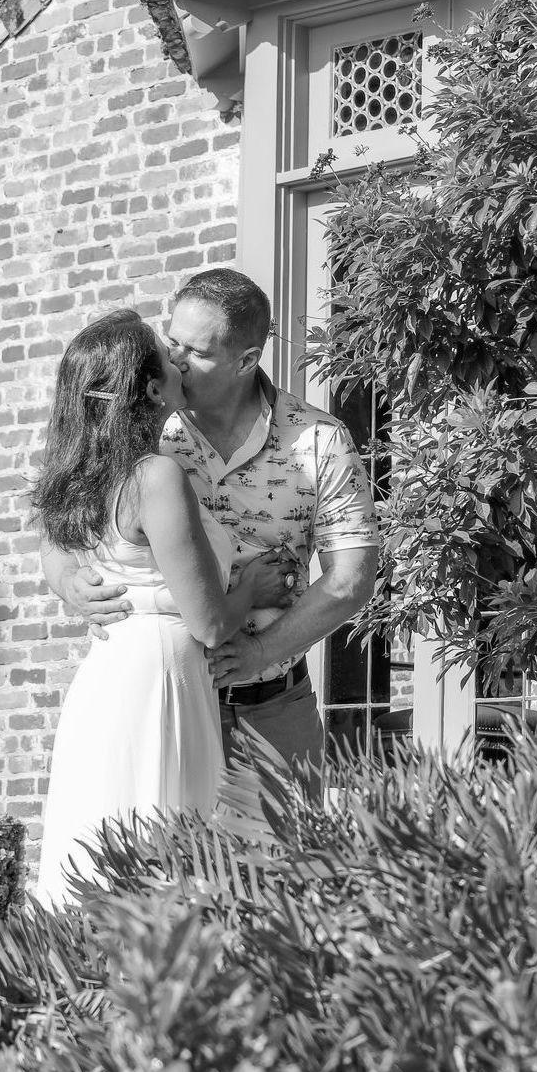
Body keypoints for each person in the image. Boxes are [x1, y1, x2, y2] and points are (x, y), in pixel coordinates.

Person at [43, 267, 382, 797]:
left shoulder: (320, 441)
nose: (175, 359)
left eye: (196, 351)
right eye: (172, 341)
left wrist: (260, 652)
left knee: (283, 853)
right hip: (159, 702)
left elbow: (352, 578)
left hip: (272, 709)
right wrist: (68, 582)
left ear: (246, 360)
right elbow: (63, 518)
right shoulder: (143, 420)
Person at [29, 308, 281, 908]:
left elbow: (60, 549)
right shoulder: (156, 475)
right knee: (165, 838)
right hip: (162, 677)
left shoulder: (84, 473)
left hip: (108, 671)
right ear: (149, 390)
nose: (177, 360)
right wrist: (252, 589)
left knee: (108, 831)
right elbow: (210, 624)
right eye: (167, 356)